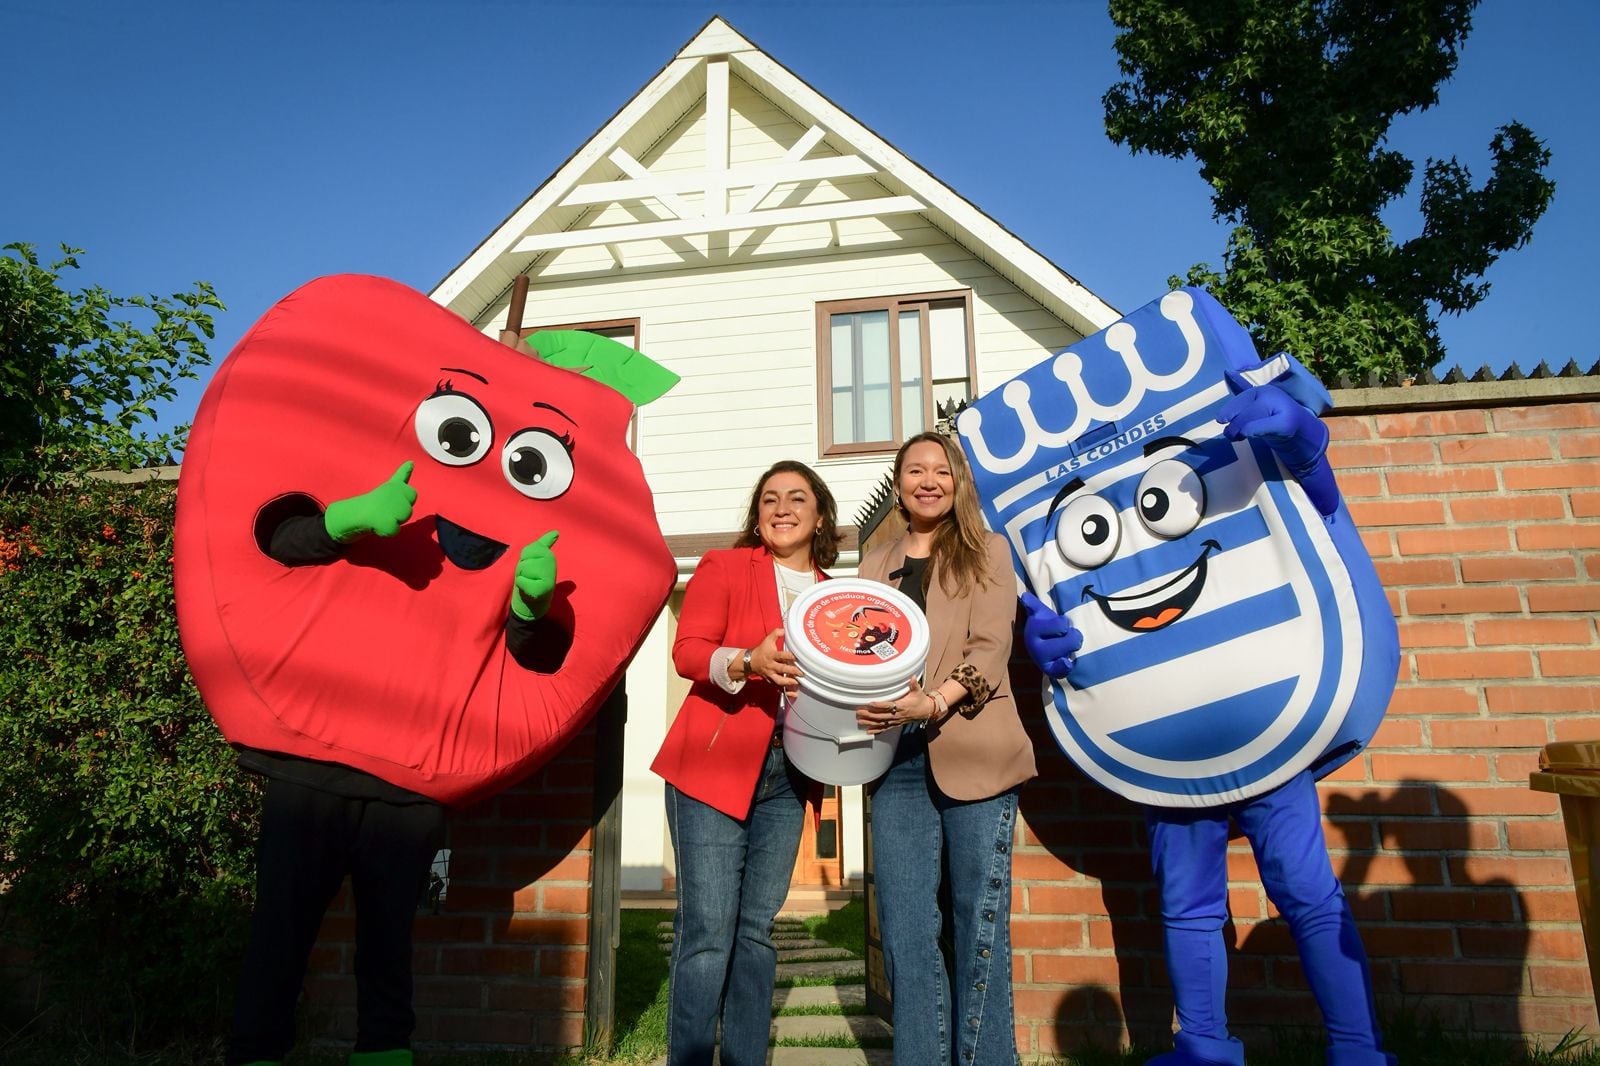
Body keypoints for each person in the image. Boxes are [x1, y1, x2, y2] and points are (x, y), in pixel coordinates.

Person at [649, 460, 841, 1066]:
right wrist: (746, 661)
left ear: (820, 515)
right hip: (715, 762)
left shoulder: (836, 595)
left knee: (755, 932)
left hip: (793, 773)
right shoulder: (725, 567)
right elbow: (688, 652)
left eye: (797, 498)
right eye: (769, 500)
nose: (782, 509)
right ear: (757, 517)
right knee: (708, 932)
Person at [856, 432, 1035, 1066]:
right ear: (899, 483)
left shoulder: (989, 551)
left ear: (958, 483)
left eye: (942, 471)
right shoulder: (873, 564)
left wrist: (933, 702)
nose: (928, 481)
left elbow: (990, 649)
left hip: (976, 751)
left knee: (976, 924)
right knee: (906, 931)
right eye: (915, 470)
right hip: (893, 759)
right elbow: (857, 652)